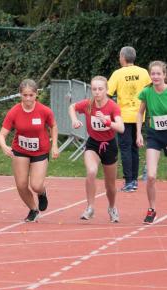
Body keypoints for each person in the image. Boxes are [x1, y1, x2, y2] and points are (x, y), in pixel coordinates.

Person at [0, 79, 59, 222]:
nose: (28, 99)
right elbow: (1, 135)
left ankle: (42, 193)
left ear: (36, 94)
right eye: (25, 95)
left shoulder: (44, 111)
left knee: (36, 185)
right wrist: (4, 146)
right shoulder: (14, 112)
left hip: (40, 151)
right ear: (20, 95)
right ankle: (33, 209)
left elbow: (53, 127)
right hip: (20, 150)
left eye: (31, 95)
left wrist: (54, 145)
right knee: (21, 185)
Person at [69, 76, 124, 222]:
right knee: (91, 171)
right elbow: (72, 107)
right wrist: (74, 120)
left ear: (106, 90)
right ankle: (90, 207)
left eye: (100, 89)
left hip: (109, 145)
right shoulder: (88, 104)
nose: (97, 92)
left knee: (110, 185)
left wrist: (107, 121)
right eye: (94, 89)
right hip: (93, 143)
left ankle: (112, 207)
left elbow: (121, 127)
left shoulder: (112, 106)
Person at [108, 46, 151, 192]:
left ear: (123, 57)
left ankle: (129, 181)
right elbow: (150, 90)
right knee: (134, 148)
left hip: (124, 116)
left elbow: (107, 93)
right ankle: (133, 180)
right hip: (140, 115)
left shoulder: (118, 74)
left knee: (125, 148)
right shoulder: (144, 72)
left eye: (120, 56)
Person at [136, 60, 167, 224]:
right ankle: (152, 209)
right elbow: (140, 113)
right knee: (151, 176)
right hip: (154, 134)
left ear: (164, 75)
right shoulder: (147, 92)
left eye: (158, 73)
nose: (155, 76)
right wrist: (138, 133)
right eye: (153, 73)